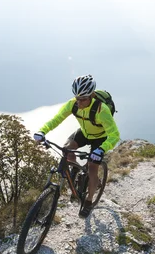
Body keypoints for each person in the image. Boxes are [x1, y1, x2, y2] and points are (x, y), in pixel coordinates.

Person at [34, 74, 120, 218]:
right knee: (67, 149)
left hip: (100, 138)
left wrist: (101, 149)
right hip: (85, 133)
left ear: (91, 95)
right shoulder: (73, 104)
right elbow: (57, 119)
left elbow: (114, 135)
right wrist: (42, 131)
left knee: (92, 168)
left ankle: (88, 201)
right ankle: (75, 172)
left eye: (83, 99)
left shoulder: (102, 110)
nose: (79, 103)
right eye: (77, 98)